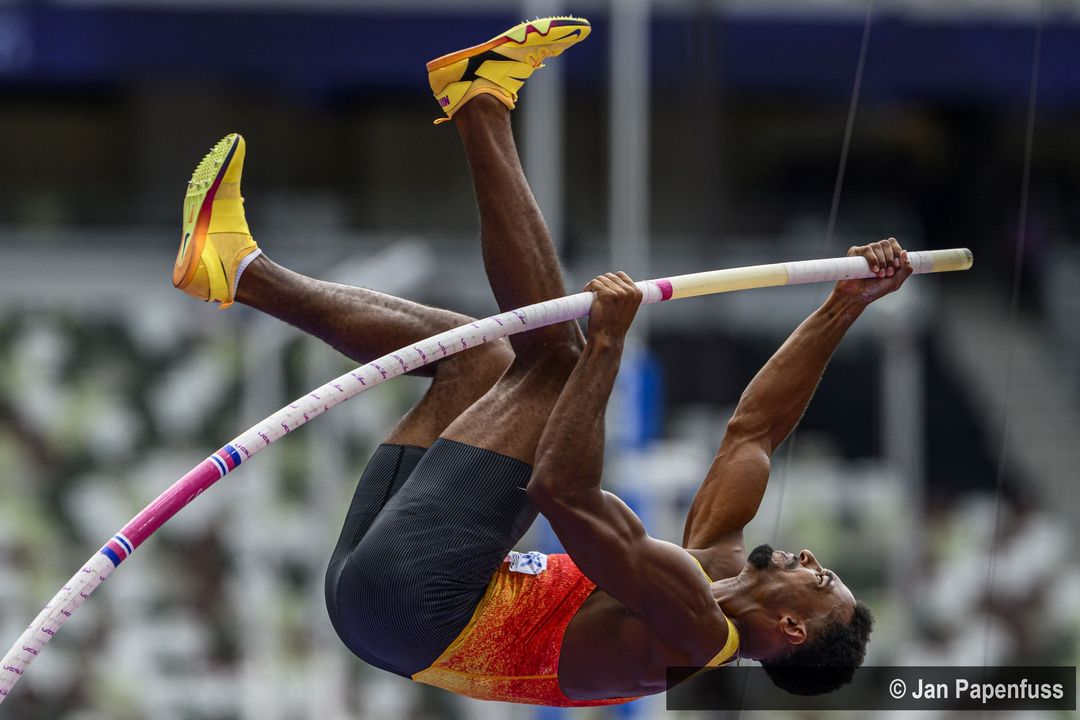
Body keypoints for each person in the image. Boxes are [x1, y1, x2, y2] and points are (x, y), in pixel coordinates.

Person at [171, 16, 902, 706]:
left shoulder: (692, 632)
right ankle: (239, 271)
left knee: (556, 359)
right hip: (388, 603)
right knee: (478, 358)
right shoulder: (714, 569)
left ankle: (479, 101)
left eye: (821, 580)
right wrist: (843, 306)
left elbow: (560, 491)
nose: (810, 558)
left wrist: (606, 348)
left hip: (419, 607)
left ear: (790, 629)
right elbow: (754, 432)